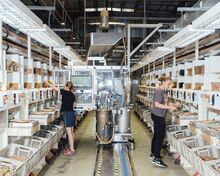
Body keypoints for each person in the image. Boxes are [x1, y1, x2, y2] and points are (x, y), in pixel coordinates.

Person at [150, 76, 180, 168]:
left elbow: (165, 102)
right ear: (163, 82)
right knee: (160, 137)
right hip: (158, 116)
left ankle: (153, 154)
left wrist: (173, 104)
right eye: (168, 83)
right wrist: (170, 108)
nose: (170, 85)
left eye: (170, 83)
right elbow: (157, 104)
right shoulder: (159, 91)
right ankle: (157, 159)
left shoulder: (164, 91)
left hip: (158, 115)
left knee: (156, 135)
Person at [47, 81, 76, 156]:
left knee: (69, 133)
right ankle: (71, 148)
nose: (63, 87)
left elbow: (54, 88)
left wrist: (47, 83)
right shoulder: (73, 95)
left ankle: (72, 150)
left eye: (64, 86)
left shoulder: (64, 92)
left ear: (67, 87)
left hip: (67, 113)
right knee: (72, 132)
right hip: (72, 113)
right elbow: (72, 105)